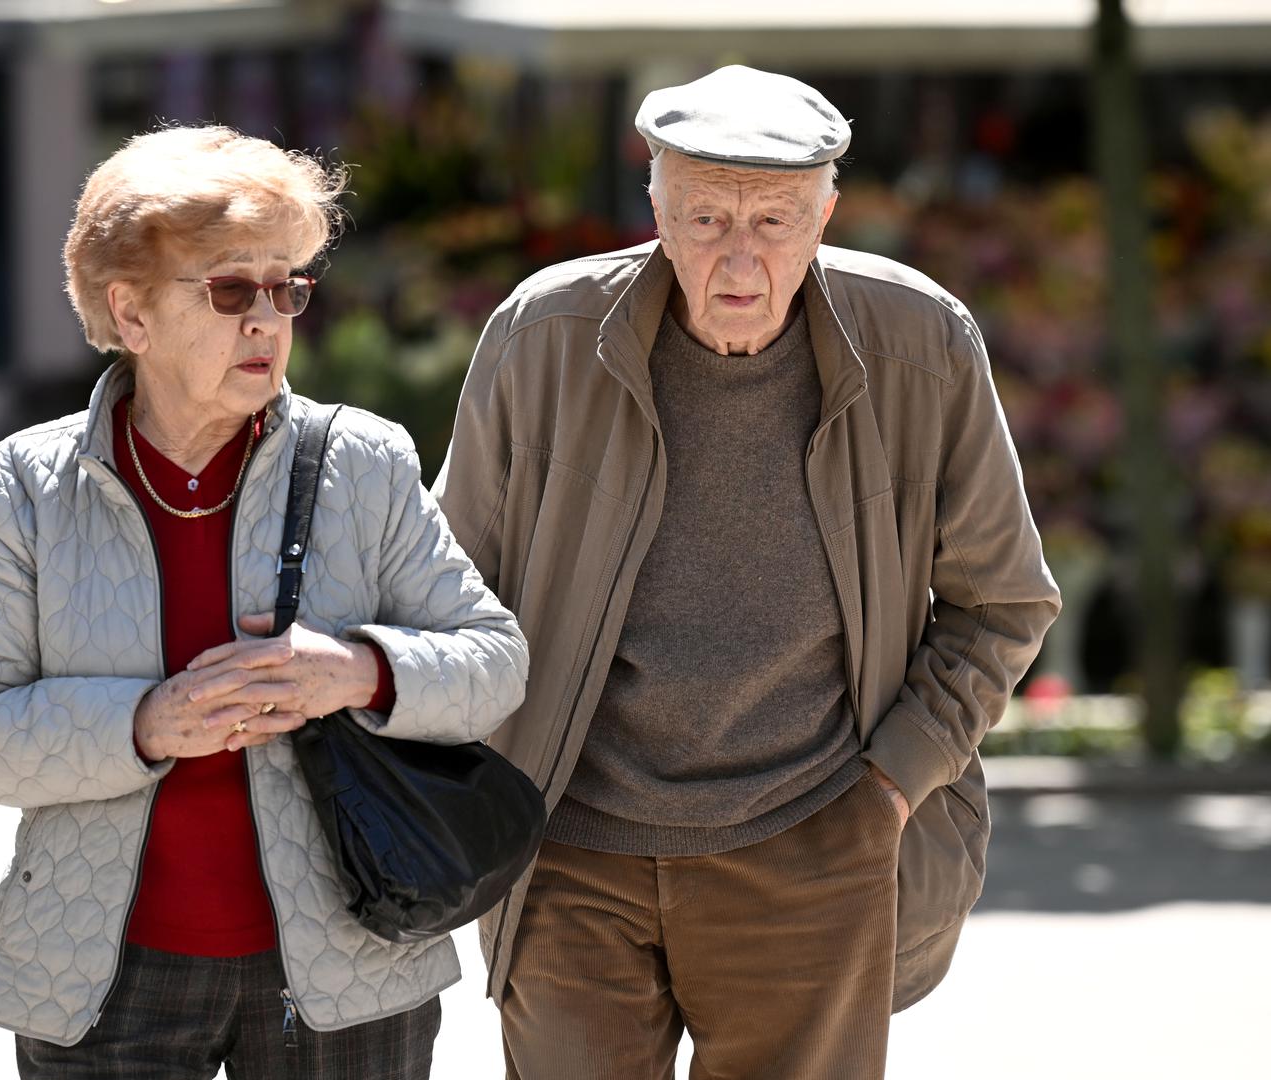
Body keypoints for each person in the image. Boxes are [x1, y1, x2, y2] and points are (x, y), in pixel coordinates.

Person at [434, 66, 1061, 1080]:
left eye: (773, 221)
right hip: (570, 848)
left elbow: (1003, 602)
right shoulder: (542, 335)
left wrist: (891, 790)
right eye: (707, 217)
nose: (739, 256)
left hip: (813, 836)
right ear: (656, 209)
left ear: (826, 215)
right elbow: (451, 588)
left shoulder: (922, 343)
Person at [0, 125, 528, 1080]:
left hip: (344, 966)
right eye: (230, 290)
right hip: (100, 977)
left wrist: (357, 672)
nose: (268, 319)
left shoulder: (363, 462)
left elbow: (494, 662)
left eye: (285, 286)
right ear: (131, 314)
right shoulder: (27, 485)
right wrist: (146, 722)